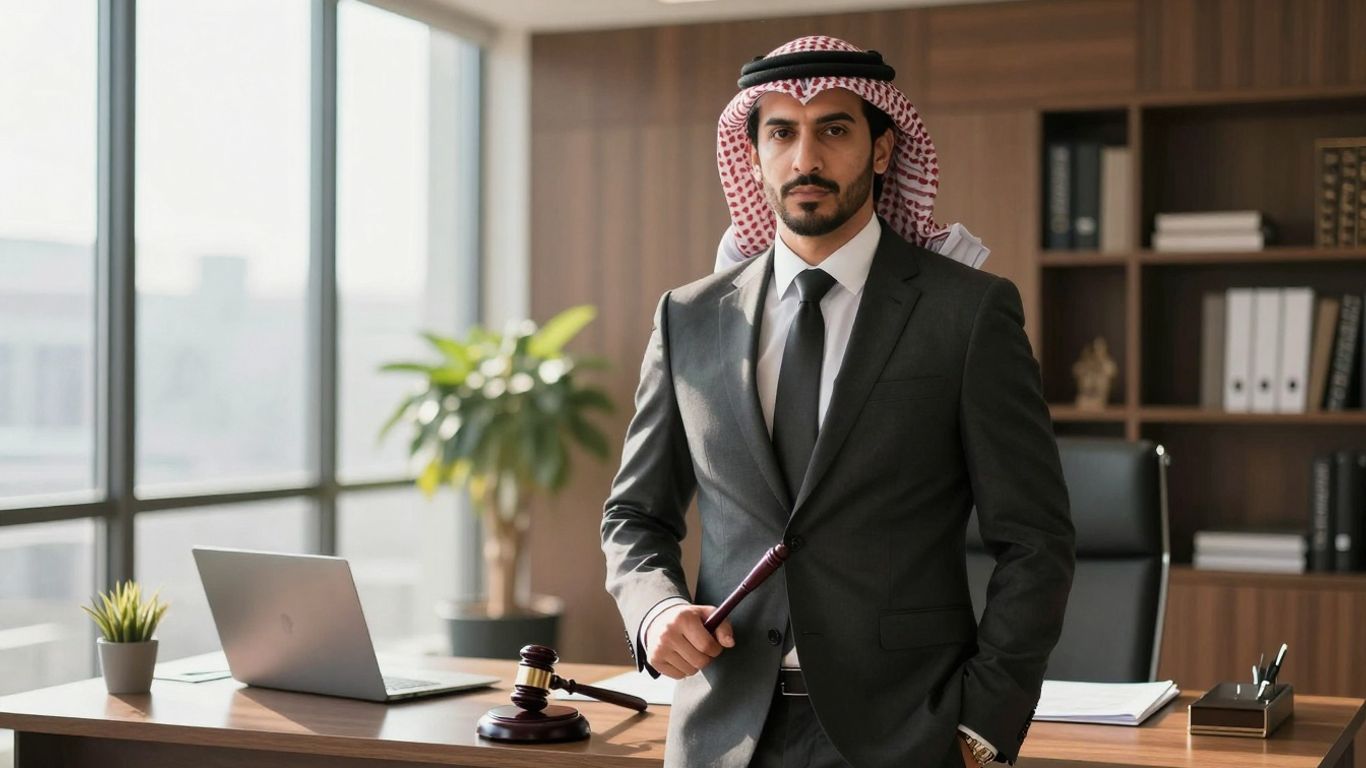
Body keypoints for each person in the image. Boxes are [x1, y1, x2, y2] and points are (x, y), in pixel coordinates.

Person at [601, 36, 1075, 768]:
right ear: (752, 154)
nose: (805, 159)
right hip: (723, 734)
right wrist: (655, 609)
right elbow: (634, 515)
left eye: (834, 129)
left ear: (883, 150)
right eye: (781, 133)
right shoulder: (688, 317)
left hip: (907, 734)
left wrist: (985, 721)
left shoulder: (967, 313)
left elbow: (1036, 539)